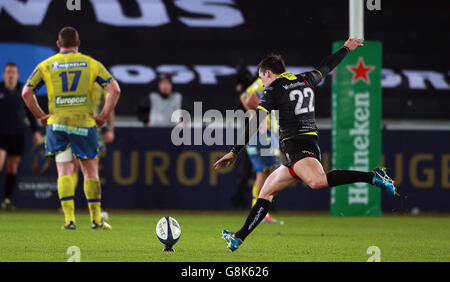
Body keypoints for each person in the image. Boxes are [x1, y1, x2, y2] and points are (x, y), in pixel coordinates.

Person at [214, 38, 398, 251]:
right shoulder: (306, 78)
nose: (261, 82)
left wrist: (234, 151)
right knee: (265, 193)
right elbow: (327, 66)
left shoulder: (273, 89)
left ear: (267, 73)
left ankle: (373, 176)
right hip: (300, 146)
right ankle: (238, 237)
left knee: (317, 182)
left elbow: (256, 120)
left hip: (298, 143)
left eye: (261, 77)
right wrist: (346, 48)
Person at [22, 26, 121, 230]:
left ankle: (69, 220)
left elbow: (26, 93)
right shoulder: (91, 64)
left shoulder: (47, 65)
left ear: (58, 44)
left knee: (64, 170)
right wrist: (103, 116)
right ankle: (96, 220)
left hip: (57, 124)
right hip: (84, 124)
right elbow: (115, 90)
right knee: (90, 171)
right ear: (78, 44)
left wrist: (41, 116)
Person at [240, 77, 283, 224]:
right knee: (274, 172)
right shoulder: (263, 82)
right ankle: (261, 211)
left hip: (260, 135)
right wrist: (261, 118)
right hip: (263, 135)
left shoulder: (272, 84)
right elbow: (247, 97)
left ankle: (259, 212)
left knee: (264, 173)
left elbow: (245, 97)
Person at [0, 63, 42, 210]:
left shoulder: (23, 91)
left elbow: (30, 114)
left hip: (18, 134)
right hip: (1, 135)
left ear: (17, 75)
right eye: (8, 72)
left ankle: (7, 200)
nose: (10, 75)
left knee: (12, 167)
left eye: (13, 72)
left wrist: (36, 131)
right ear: (4, 74)